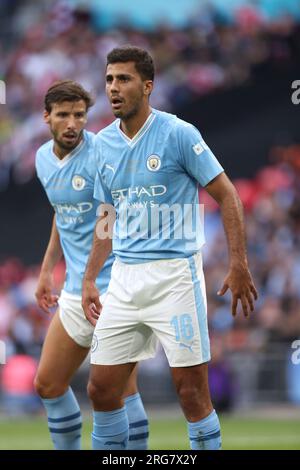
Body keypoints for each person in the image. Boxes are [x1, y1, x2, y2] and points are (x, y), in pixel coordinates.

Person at [82, 46, 258, 451]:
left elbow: (228, 195)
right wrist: (91, 277)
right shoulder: (102, 145)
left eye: (123, 79)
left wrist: (239, 263)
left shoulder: (179, 133)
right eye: (109, 79)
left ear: (147, 87)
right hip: (124, 279)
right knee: (101, 390)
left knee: (192, 395)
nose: (113, 88)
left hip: (174, 276)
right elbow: (106, 216)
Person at [34, 80, 154, 450]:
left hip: (116, 287)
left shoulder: (103, 152)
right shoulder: (41, 159)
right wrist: (45, 270)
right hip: (73, 290)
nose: (72, 123)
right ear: (47, 117)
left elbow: (112, 214)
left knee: (113, 390)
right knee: (49, 384)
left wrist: (97, 277)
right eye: (64, 115)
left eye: (79, 115)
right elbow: (63, 213)